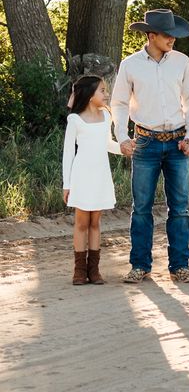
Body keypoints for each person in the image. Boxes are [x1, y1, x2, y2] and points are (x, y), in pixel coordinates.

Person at [111, 9, 189, 284]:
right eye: (166, 35)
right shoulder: (130, 64)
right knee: (141, 209)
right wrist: (122, 137)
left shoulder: (182, 62)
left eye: (173, 35)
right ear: (151, 36)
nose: (172, 39)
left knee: (180, 208)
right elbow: (119, 103)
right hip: (145, 142)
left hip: (177, 142)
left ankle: (180, 266)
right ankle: (140, 265)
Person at [62, 75, 122, 285]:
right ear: (89, 96)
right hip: (81, 176)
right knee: (81, 223)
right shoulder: (75, 120)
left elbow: (108, 144)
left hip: (100, 174)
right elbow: (68, 153)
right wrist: (66, 184)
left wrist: (124, 148)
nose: (106, 94)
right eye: (102, 91)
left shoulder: (106, 117)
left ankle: (94, 270)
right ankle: (79, 270)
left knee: (95, 223)